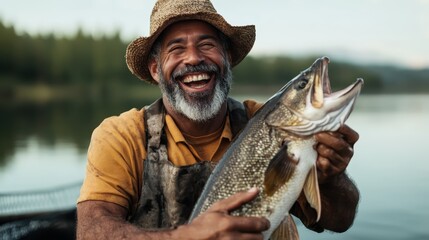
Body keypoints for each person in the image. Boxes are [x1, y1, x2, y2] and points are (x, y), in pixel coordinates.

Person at [76, 0, 360, 239]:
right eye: (176, 49)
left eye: (207, 44)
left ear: (227, 58)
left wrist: (332, 177)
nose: (193, 59)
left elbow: (340, 220)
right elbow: (89, 231)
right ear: (155, 70)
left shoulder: (261, 121)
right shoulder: (121, 136)